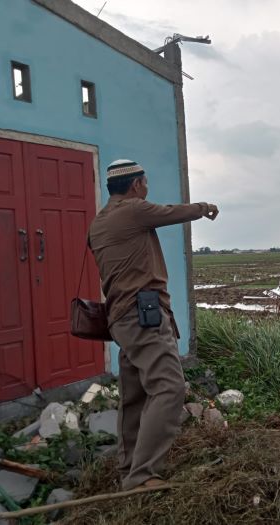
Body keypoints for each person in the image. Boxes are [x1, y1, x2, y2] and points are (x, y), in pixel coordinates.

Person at [88, 159, 218, 490]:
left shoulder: (99, 222)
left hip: (121, 319)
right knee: (169, 388)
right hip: (143, 317)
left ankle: (129, 468)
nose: (147, 188)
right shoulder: (133, 210)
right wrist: (204, 207)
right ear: (135, 186)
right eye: (145, 182)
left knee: (134, 397)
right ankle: (143, 475)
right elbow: (172, 212)